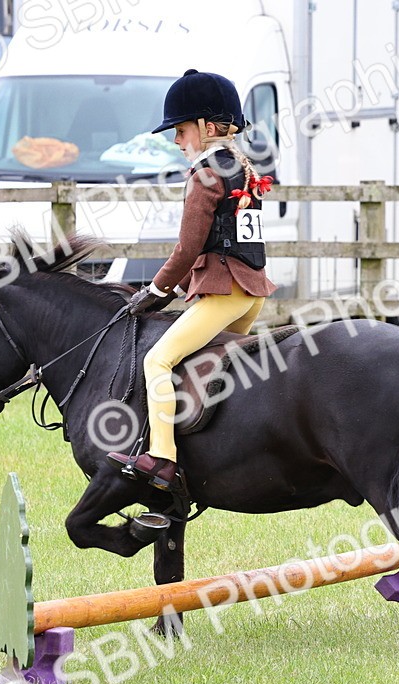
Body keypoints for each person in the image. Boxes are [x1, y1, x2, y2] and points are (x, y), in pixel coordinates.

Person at [107, 70, 276, 494]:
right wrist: (180, 287)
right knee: (214, 371)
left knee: (157, 362)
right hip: (250, 292)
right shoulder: (239, 167)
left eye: (181, 131)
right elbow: (222, 241)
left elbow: (187, 249)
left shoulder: (205, 174)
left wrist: (156, 290)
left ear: (207, 128)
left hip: (226, 293)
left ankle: (162, 459)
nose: (176, 140)